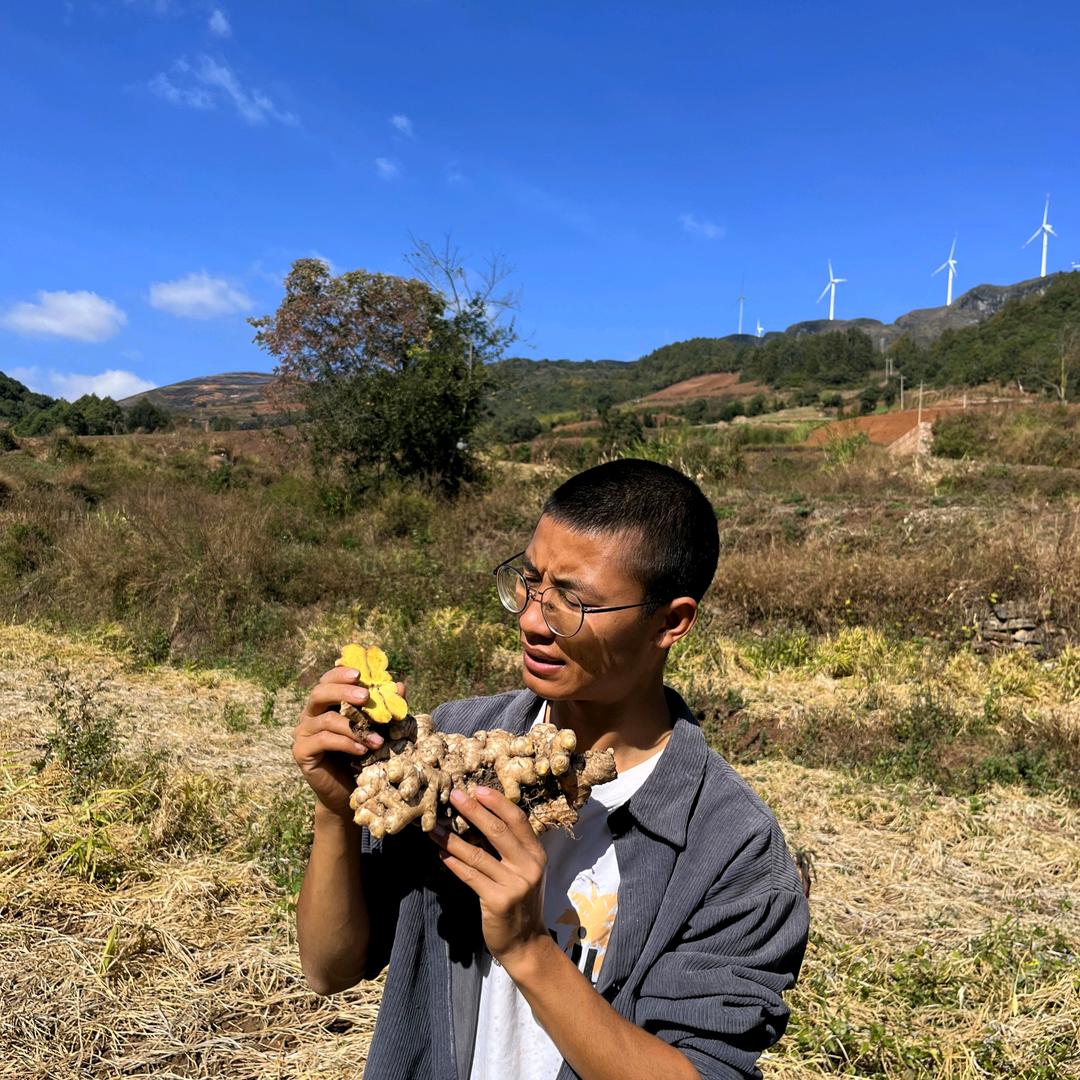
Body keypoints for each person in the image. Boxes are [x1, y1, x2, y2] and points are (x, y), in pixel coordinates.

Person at [292, 459, 809, 1080]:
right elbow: (330, 967)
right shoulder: (453, 746)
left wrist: (528, 948)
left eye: (573, 601)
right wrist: (334, 810)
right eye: (531, 582)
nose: (533, 619)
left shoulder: (731, 849)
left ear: (671, 622)